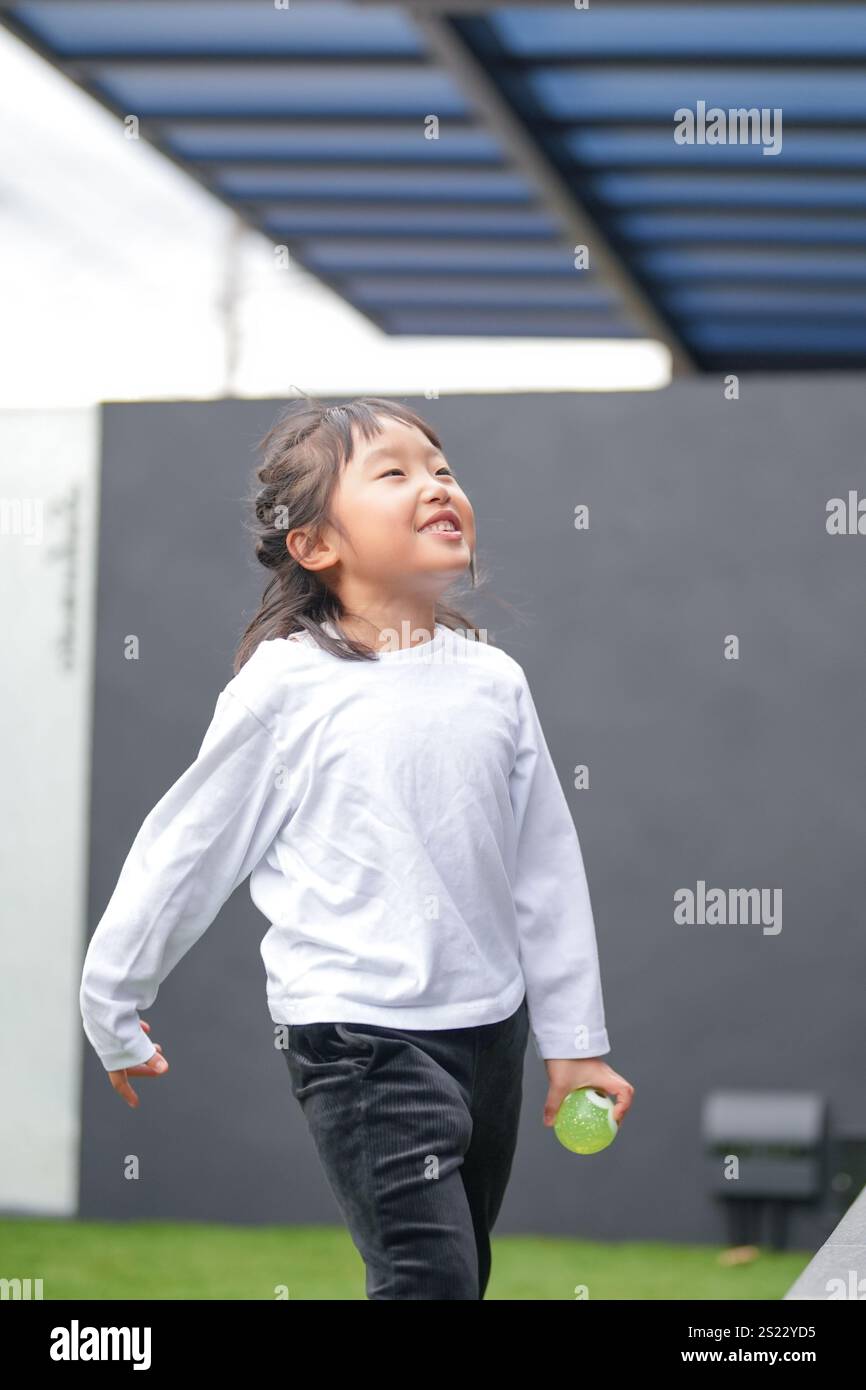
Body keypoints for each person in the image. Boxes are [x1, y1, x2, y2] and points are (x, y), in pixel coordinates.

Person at [80, 395, 634, 1300]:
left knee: (463, 1272)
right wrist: (113, 997)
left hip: (489, 1034)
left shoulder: (494, 682)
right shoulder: (287, 687)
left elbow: (545, 869)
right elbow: (187, 848)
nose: (435, 485)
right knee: (429, 1278)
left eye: (442, 468)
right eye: (395, 472)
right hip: (357, 1040)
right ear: (314, 545)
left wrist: (574, 1041)